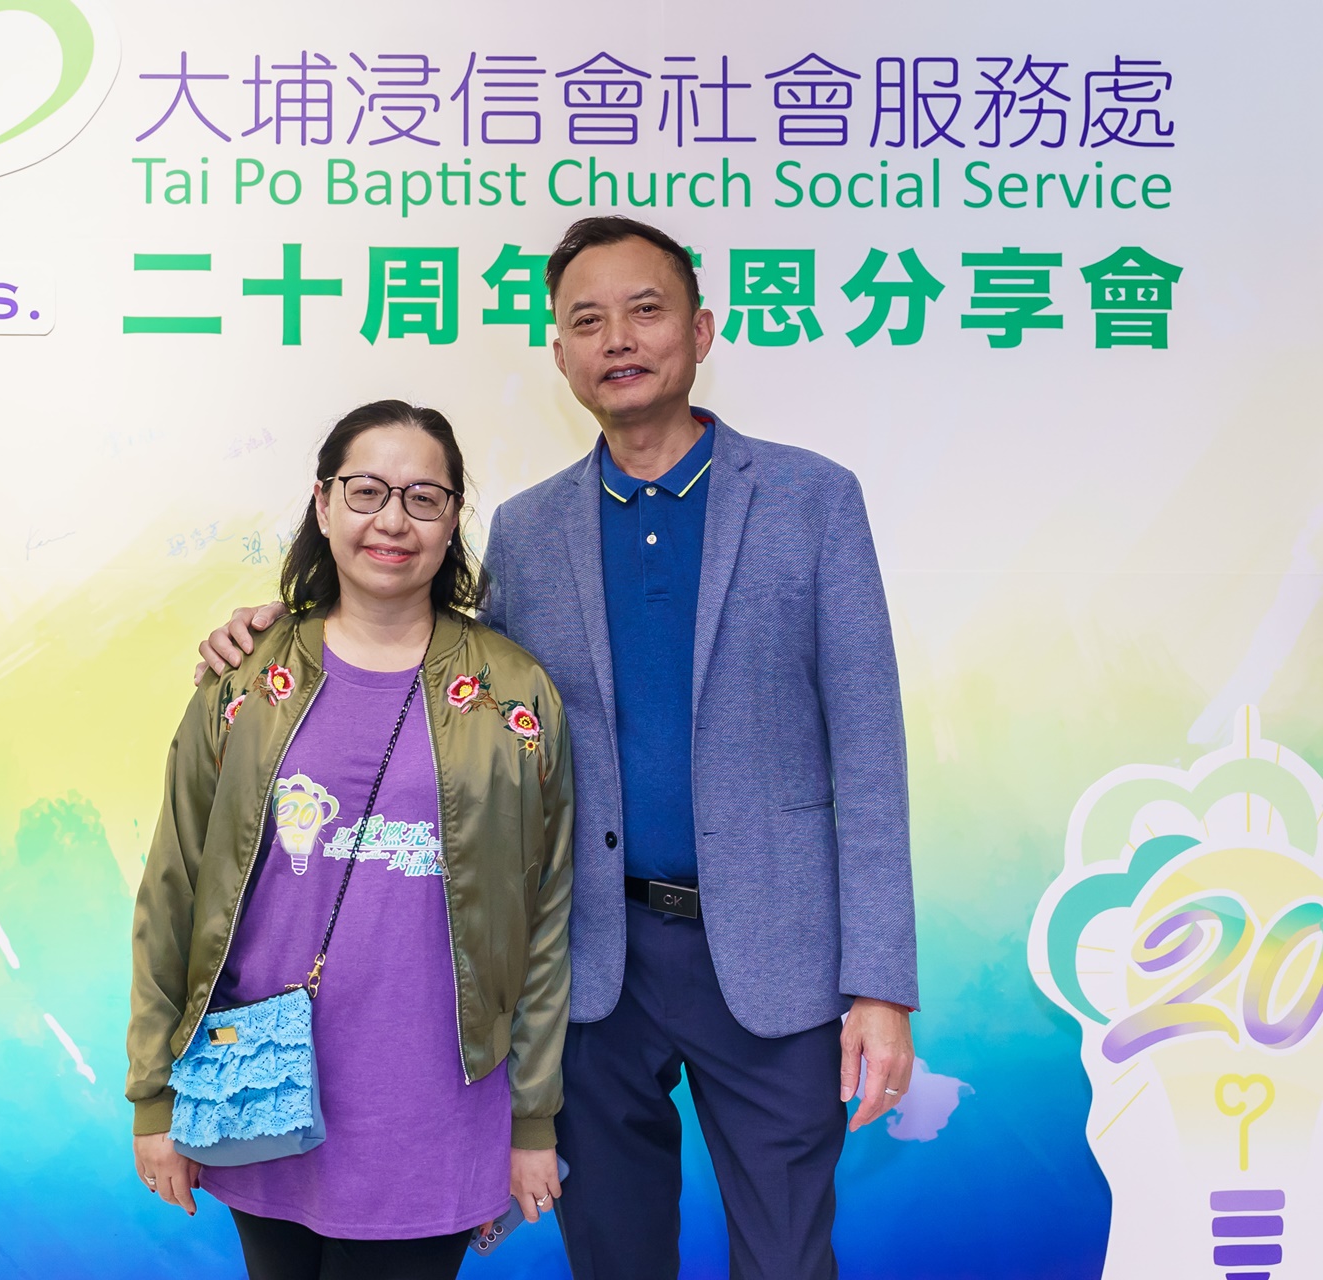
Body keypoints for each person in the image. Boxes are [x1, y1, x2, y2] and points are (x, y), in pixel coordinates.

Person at [197, 217, 919, 1280]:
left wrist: (882, 986)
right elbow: (437, 660)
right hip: (593, 966)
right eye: (587, 320)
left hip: (776, 957)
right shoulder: (531, 529)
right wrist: (284, 631)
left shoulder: (812, 500)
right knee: (613, 1258)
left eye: (645, 310)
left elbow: (870, 751)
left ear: (700, 330)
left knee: (787, 1258)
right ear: (560, 354)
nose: (617, 338)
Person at [128, 399, 577, 1280]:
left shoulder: (514, 698)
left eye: (423, 498)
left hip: (438, 1111)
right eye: (366, 490)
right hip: (263, 1090)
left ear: (453, 520)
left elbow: (548, 920)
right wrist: (152, 1095)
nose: (392, 521)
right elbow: (173, 889)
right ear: (324, 503)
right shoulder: (245, 680)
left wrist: (532, 1118)